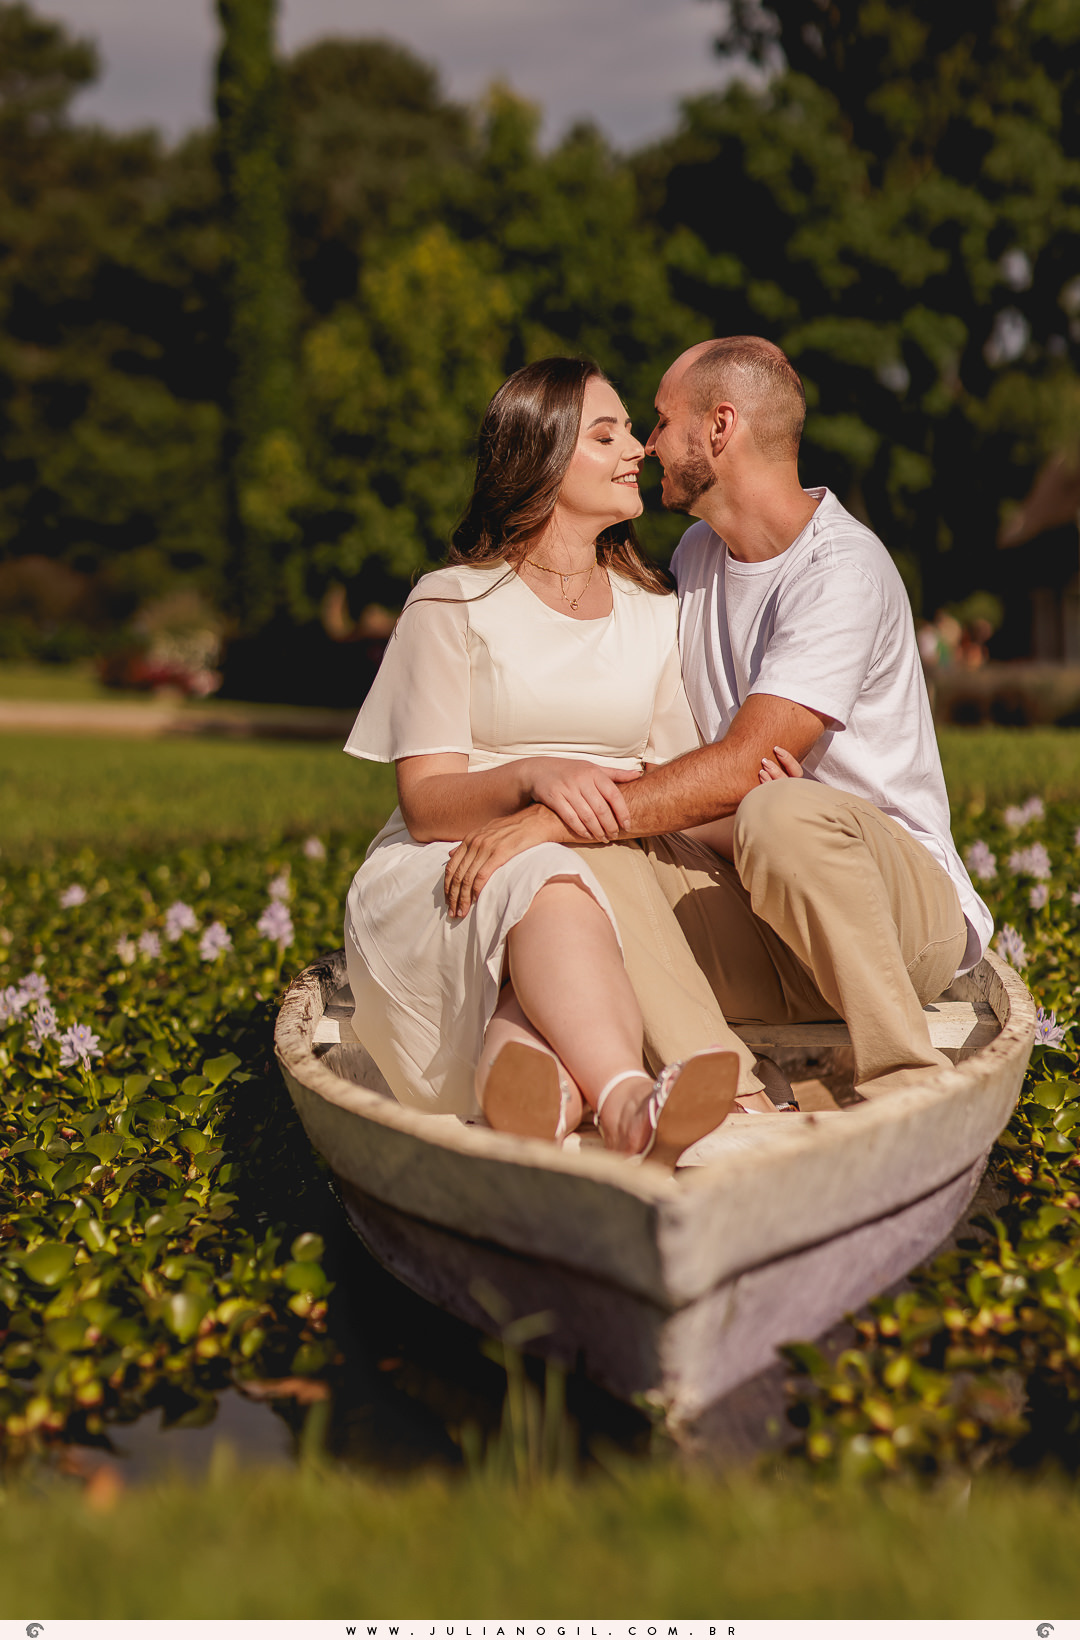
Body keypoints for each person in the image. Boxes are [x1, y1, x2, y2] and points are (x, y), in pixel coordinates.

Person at [444, 337, 993, 1105]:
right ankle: (730, 1093)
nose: (647, 445)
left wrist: (556, 818)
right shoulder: (699, 556)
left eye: (662, 422)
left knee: (776, 812)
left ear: (720, 428)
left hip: (897, 924)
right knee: (588, 867)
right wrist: (582, 814)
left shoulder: (842, 572)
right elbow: (697, 775)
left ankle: (903, 1079)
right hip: (758, 909)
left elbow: (742, 771)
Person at [342, 356, 745, 1165]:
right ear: (543, 459)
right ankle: (632, 1100)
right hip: (448, 871)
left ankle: (547, 1098)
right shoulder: (450, 602)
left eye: (632, 428)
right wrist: (533, 776)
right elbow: (426, 803)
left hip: (608, 863)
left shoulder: (654, 614)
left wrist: (760, 807)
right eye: (608, 434)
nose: (639, 448)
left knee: (563, 899)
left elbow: (676, 786)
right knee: (548, 879)